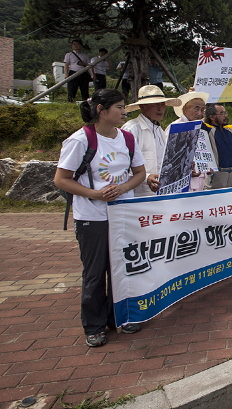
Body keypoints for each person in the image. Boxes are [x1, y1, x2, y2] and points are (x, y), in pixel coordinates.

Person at [53, 89, 147, 347]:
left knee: (123, 268)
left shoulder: (127, 139)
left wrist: (123, 189)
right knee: (95, 272)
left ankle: (121, 316)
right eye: (119, 107)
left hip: (123, 214)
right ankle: (94, 326)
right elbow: (61, 179)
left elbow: (139, 172)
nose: (124, 111)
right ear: (101, 110)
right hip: (92, 217)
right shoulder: (80, 140)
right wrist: (94, 194)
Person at [121, 85, 181, 196]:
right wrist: (147, 177)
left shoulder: (159, 130)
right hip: (139, 193)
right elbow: (123, 165)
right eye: (155, 105)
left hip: (160, 190)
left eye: (162, 105)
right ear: (143, 107)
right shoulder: (132, 129)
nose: (160, 108)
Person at [168, 91, 209, 192]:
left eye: (203, 110)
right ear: (185, 109)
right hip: (182, 182)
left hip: (200, 180)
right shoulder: (176, 127)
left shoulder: (200, 128)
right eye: (196, 108)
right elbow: (168, 159)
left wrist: (208, 167)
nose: (199, 113)